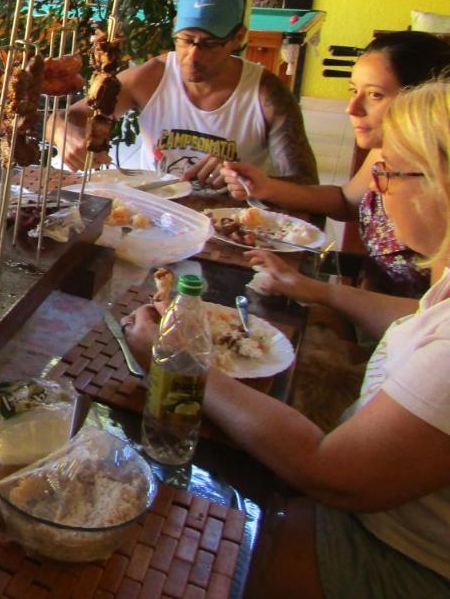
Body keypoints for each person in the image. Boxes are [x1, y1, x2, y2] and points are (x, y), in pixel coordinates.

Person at [124, 79, 450, 597]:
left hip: (392, 557)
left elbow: (332, 471)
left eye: (387, 174)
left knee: (169, 548)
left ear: (441, 186)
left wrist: (178, 362)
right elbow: (416, 317)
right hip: (376, 518)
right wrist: (316, 291)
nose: (375, 193)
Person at [229, 31, 450, 302]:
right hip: (370, 303)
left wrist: (325, 294)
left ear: (423, 101)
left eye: (375, 95)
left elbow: (428, 320)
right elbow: (346, 200)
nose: (352, 108)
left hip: (397, 331)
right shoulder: (389, 152)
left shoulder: (439, 180)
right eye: (354, 91)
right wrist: (268, 186)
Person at [53, 0, 318, 189]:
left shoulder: (266, 93)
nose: (193, 56)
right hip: (156, 213)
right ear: (175, 28)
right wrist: (65, 134)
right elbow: (65, 117)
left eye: (210, 44)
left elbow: (306, 184)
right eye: (185, 40)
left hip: (230, 220)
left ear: (237, 37)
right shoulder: (152, 77)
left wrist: (247, 179)